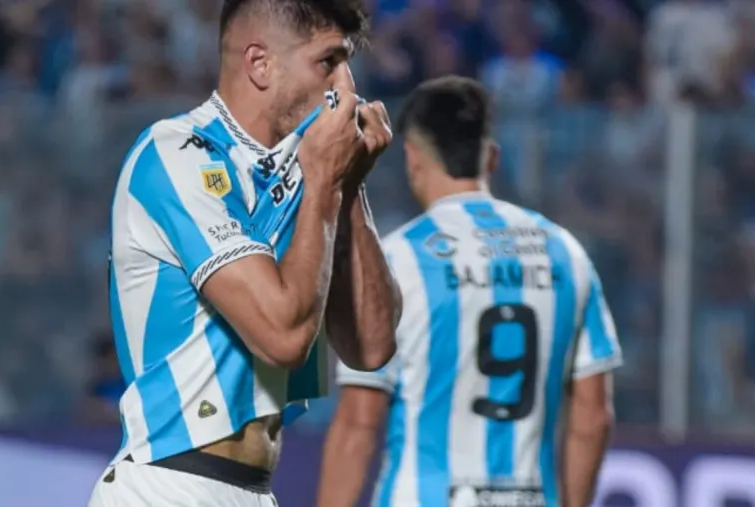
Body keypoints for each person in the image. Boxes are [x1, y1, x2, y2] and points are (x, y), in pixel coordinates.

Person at [87, 0, 401, 505]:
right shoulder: (174, 155)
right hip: (170, 485)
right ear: (259, 63)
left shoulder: (311, 168)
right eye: (328, 62)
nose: (347, 87)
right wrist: (324, 184)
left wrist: (349, 185)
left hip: (254, 491)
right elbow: (283, 338)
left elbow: (372, 347)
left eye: (348, 64)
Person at [317, 76, 623, 507]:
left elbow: (360, 423)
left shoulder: (396, 260)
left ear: (412, 159)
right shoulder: (564, 253)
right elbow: (593, 416)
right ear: (492, 157)